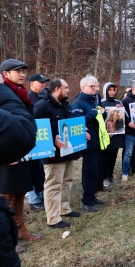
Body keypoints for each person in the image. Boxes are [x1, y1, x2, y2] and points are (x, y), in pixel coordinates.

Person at [0, 59, 41, 252]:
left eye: (23, 71)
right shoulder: (3, 92)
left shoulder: (20, 93)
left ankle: (21, 230)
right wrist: (10, 149)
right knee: (6, 197)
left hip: (22, 152)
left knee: (19, 194)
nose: (22, 74)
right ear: (5, 74)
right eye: (17, 71)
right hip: (8, 154)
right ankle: (8, 238)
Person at [34, 78, 81, 229]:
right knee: (53, 185)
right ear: (57, 89)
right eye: (66, 88)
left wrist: (81, 133)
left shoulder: (64, 104)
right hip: (53, 155)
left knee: (67, 181)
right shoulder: (41, 106)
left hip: (67, 151)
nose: (68, 90)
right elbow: (36, 129)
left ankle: (64, 208)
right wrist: (51, 140)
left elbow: (69, 125)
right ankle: (53, 218)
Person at [72, 75, 108, 212]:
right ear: (83, 87)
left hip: (98, 140)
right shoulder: (78, 103)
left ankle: (92, 196)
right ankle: (86, 201)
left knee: (97, 171)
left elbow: (99, 118)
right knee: (89, 172)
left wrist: (103, 114)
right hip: (88, 143)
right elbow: (77, 123)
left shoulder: (95, 100)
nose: (95, 89)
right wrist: (93, 113)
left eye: (96, 86)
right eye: (92, 86)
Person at [27, 73, 49, 211]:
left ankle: (40, 195)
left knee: (40, 169)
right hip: (32, 138)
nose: (43, 84)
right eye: (40, 82)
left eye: (44, 82)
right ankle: (33, 199)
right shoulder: (28, 99)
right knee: (31, 168)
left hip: (43, 138)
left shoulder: (44, 97)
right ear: (31, 84)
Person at [101, 82, 125, 187]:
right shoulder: (101, 102)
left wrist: (120, 108)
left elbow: (125, 116)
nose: (112, 92)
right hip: (106, 135)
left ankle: (110, 175)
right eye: (109, 90)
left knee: (113, 156)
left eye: (113, 90)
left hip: (116, 134)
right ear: (106, 91)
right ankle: (104, 177)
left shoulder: (118, 101)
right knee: (105, 157)